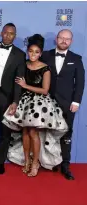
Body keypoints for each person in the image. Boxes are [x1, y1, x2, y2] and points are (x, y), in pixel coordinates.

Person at [2, 34, 68, 177]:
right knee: (25, 132)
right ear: (27, 51)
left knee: (33, 132)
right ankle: (27, 161)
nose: (33, 54)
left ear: (41, 53)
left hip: (39, 104)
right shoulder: (23, 65)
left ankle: (36, 163)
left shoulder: (45, 69)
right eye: (31, 51)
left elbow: (45, 90)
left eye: (36, 52)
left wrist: (26, 85)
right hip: (25, 102)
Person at [40, 29, 85, 180]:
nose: (64, 41)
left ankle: (65, 165)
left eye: (67, 39)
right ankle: (44, 162)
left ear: (71, 41)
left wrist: (76, 101)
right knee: (43, 132)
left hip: (67, 103)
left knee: (66, 134)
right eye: (62, 38)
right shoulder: (45, 55)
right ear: (56, 39)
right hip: (46, 102)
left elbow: (80, 82)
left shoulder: (76, 58)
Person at [0, 23, 26, 174]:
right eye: (6, 33)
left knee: (5, 131)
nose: (8, 36)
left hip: (6, 96)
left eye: (12, 34)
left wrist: (15, 101)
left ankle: (0, 162)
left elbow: (18, 80)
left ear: (15, 36)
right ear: (1, 33)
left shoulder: (20, 54)